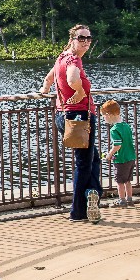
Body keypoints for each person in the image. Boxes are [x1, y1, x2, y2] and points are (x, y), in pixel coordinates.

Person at [41, 24, 104, 222]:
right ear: (72, 39)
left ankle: (92, 193)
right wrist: (79, 92)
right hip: (79, 116)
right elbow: (72, 77)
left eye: (88, 38)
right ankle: (78, 211)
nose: (85, 42)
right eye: (81, 38)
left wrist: (44, 90)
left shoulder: (62, 57)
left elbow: (49, 78)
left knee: (93, 159)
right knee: (84, 163)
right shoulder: (73, 60)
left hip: (63, 115)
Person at [101, 100, 135, 207]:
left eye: (104, 116)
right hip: (131, 157)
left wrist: (109, 154)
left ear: (108, 115)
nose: (104, 118)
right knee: (128, 180)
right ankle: (129, 199)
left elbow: (117, 145)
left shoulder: (114, 129)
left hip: (121, 159)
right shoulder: (126, 126)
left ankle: (122, 200)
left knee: (119, 181)